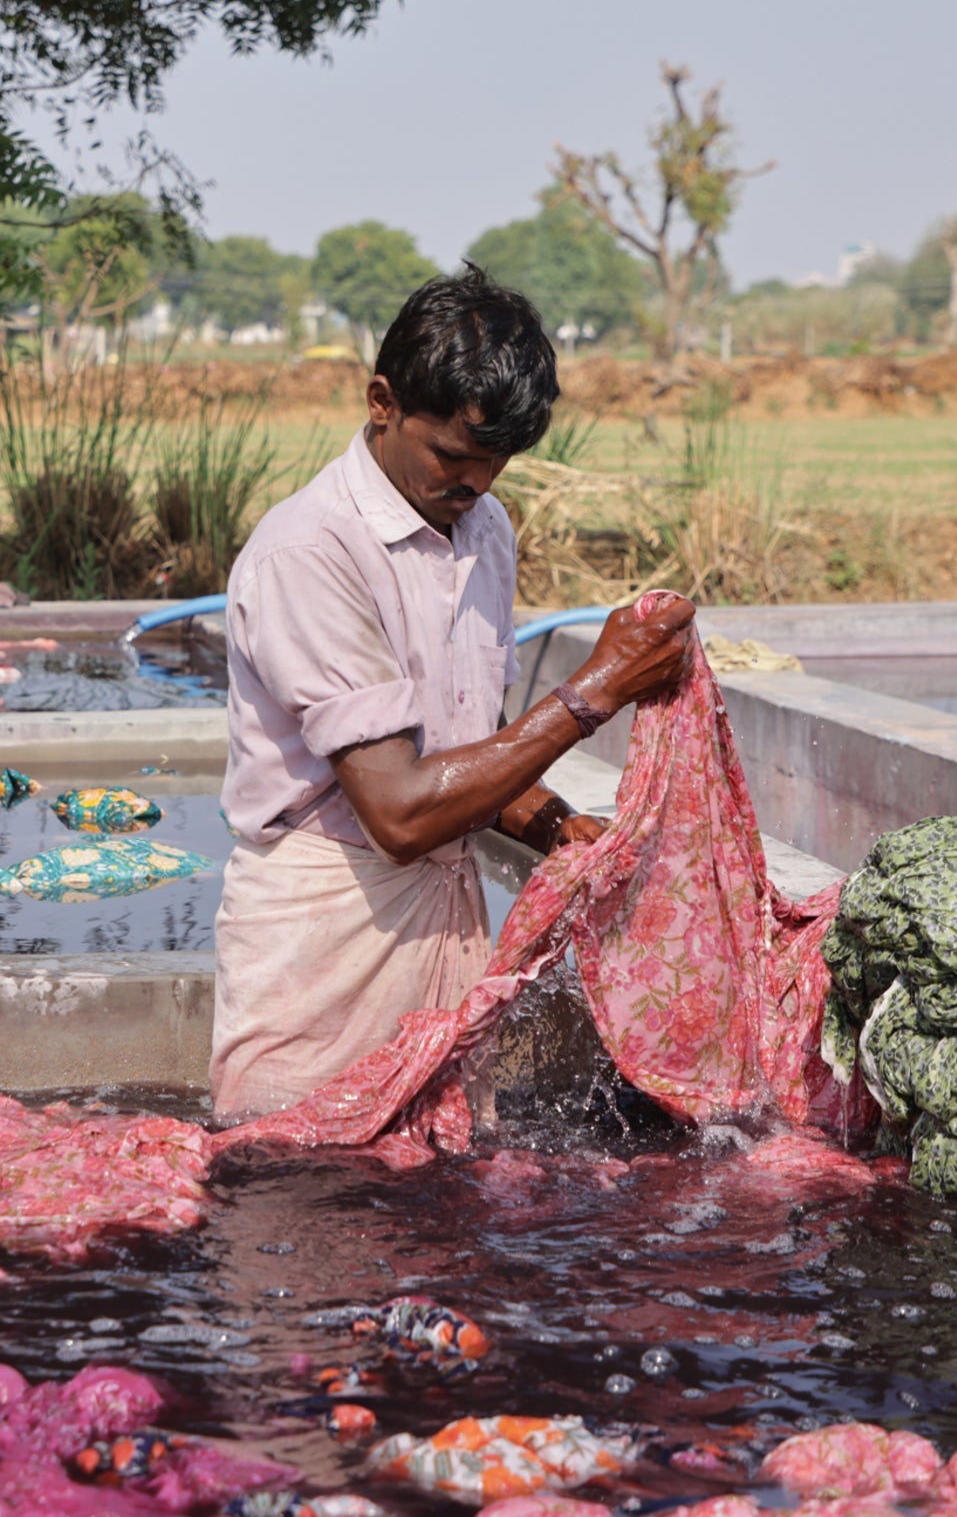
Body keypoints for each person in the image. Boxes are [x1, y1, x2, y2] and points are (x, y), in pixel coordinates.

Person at [210, 267, 697, 1119]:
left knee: (437, 1174)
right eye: (452, 456)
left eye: (497, 462)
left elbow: (469, 738)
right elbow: (398, 814)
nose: (476, 482)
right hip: (327, 928)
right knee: (294, 1170)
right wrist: (595, 690)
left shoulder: (483, 528)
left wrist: (551, 824)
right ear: (382, 403)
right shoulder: (310, 551)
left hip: (441, 907)